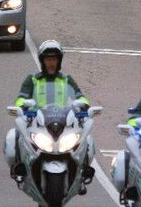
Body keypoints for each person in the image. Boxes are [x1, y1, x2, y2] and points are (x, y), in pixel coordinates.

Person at [11, 40, 91, 178]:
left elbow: (80, 96)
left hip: (62, 119)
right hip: (37, 120)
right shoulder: (32, 80)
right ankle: (19, 166)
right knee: (17, 133)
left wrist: (82, 105)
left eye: (54, 59)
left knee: (86, 136)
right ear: (42, 61)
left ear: (59, 61)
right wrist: (24, 105)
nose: (51, 63)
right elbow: (20, 99)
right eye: (48, 59)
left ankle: (84, 169)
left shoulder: (66, 79)